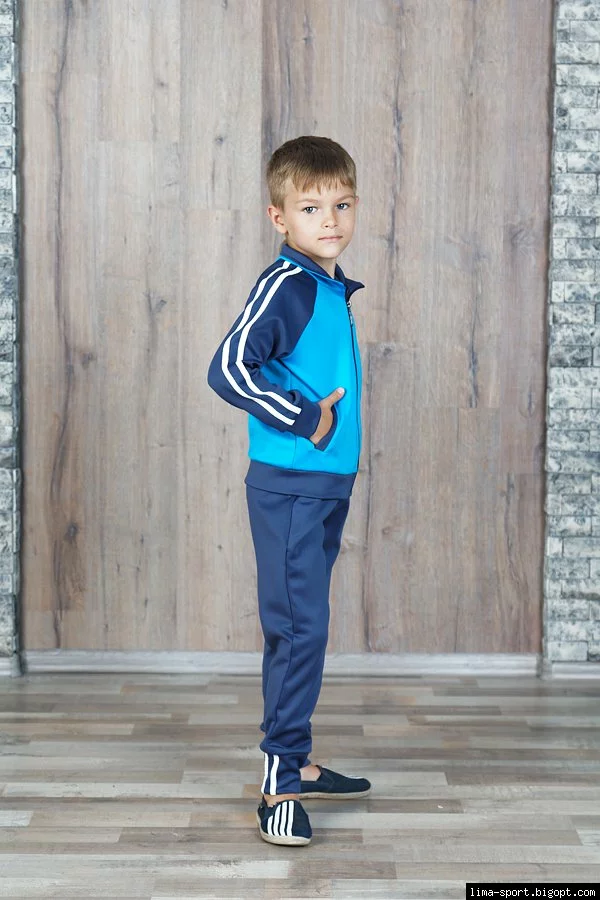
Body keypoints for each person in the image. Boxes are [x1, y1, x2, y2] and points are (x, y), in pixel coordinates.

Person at [207, 135, 371, 847]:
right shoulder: (288, 284)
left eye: (341, 204)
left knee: (304, 627)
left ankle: (297, 758)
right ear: (279, 217)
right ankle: (280, 782)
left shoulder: (326, 285)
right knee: (299, 629)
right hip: (293, 489)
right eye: (310, 208)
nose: (329, 220)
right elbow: (228, 368)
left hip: (323, 486)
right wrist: (307, 419)